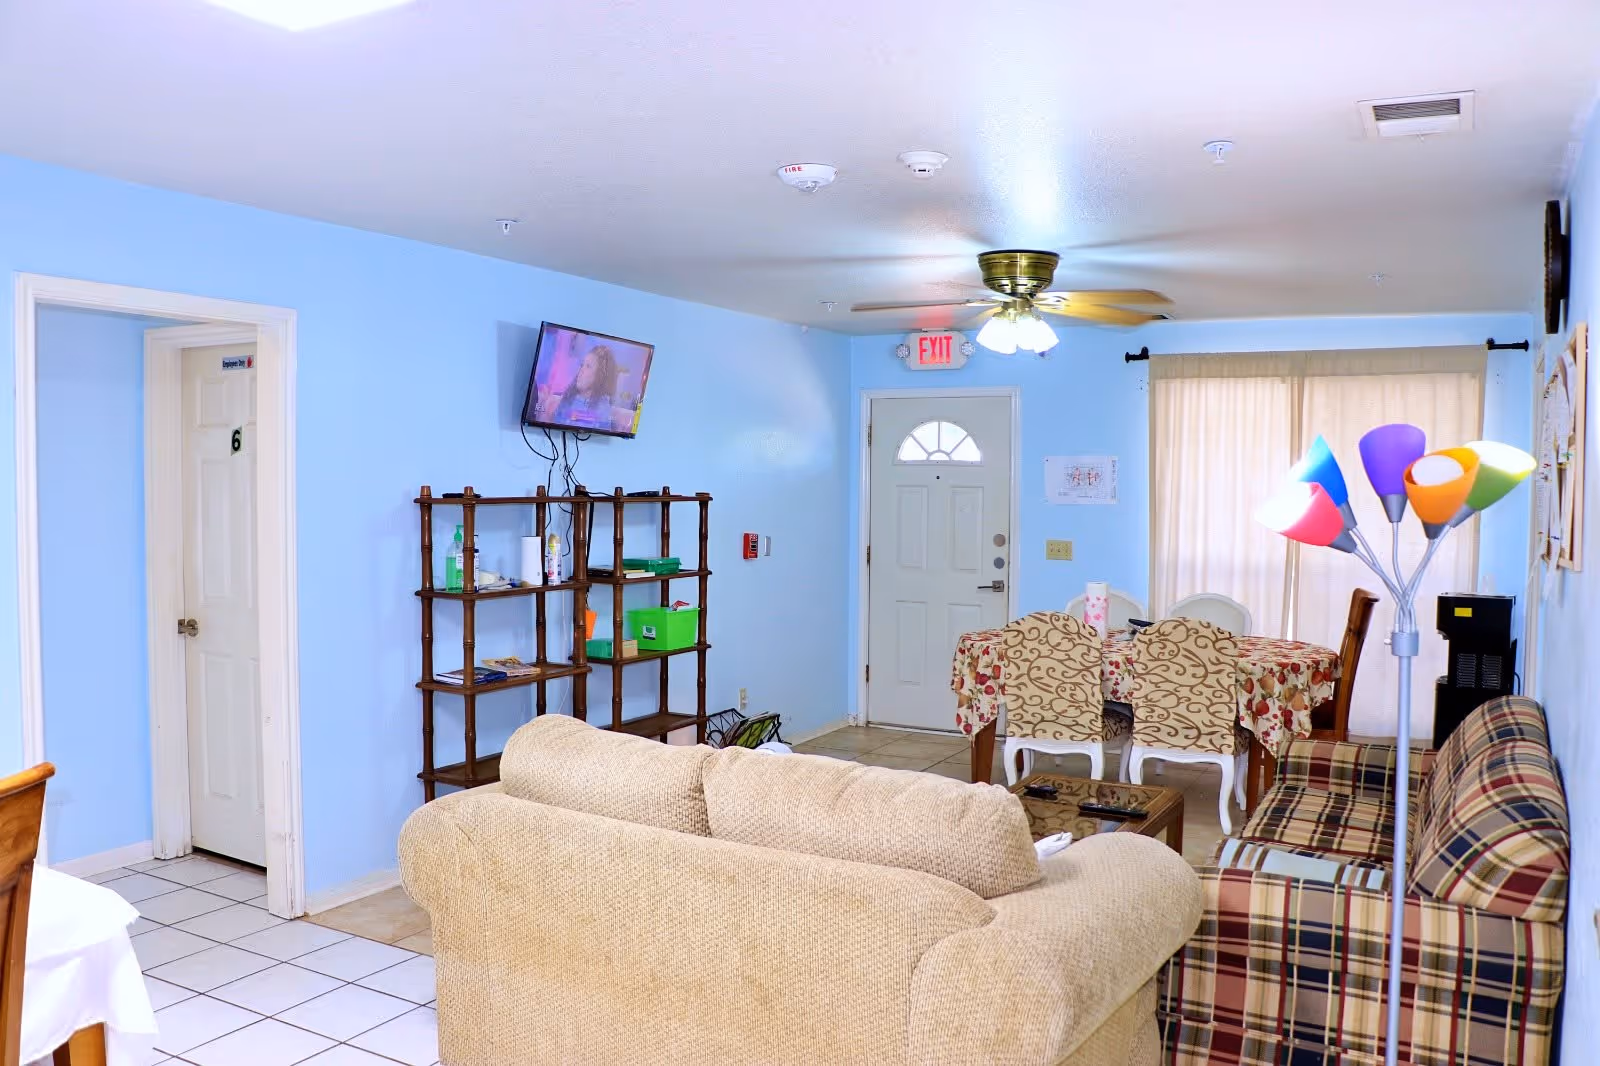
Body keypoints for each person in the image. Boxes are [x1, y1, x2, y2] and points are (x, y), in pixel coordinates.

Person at [541, 343, 623, 431]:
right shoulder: (568, 398)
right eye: (582, 365)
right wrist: (546, 408)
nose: (581, 370)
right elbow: (552, 429)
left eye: (588, 366)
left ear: (601, 375)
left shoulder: (602, 409)